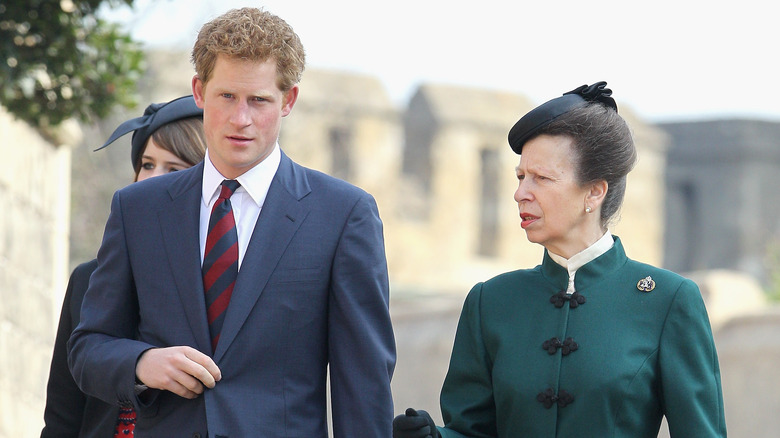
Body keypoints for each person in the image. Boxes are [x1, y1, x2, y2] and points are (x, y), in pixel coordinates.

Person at [68, 7, 396, 437]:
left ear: (289, 101)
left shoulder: (343, 215)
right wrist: (142, 363)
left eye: (259, 100)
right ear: (199, 92)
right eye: (227, 97)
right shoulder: (137, 209)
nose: (241, 119)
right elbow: (88, 347)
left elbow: (363, 388)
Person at [393, 82, 726, 437]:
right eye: (521, 177)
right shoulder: (489, 301)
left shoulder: (668, 301)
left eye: (541, 178)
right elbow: (471, 430)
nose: (521, 193)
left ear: (595, 192)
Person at [41, 95, 206, 438]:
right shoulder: (89, 280)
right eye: (147, 165)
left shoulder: (221, 284)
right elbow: (62, 420)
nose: (151, 180)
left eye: (174, 170)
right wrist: (139, 364)